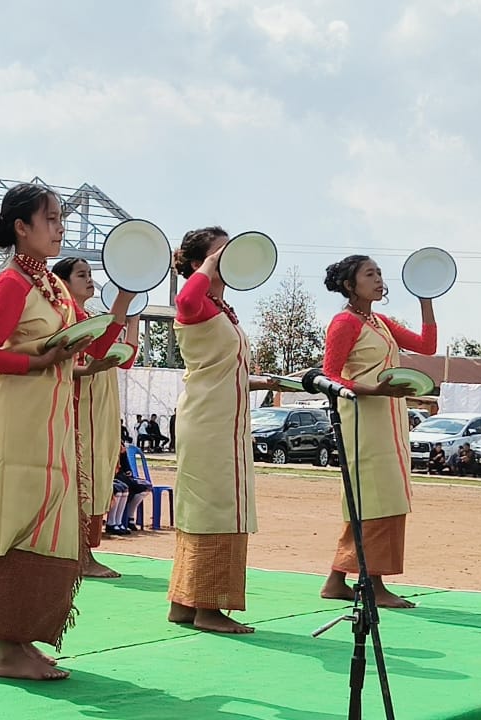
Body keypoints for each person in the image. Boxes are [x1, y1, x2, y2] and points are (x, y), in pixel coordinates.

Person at [0, 183, 131, 681]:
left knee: (47, 523)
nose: (61, 227)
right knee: (17, 524)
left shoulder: (52, 286)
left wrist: (124, 295)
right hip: (17, 426)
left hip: (52, 424)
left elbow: (90, 339)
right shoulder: (12, 283)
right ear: (23, 228)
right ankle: (4, 650)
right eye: (52, 218)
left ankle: (22, 640)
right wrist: (39, 359)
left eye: (61, 218)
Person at [167, 227, 277, 634]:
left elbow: (221, 370)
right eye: (221, 253)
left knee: (207, 504)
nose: (230, 258)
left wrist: (267, 382)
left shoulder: (219, 308)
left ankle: (185, 601)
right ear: (200, 263)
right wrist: (207, 267)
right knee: (217, 505)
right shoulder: (196, 304)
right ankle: (209, 608)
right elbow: (183, 298)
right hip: (209, 421)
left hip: (221, 417)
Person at [319, 254, 436, 609]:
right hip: (362, 418)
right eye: (369, 274)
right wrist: (373, 390)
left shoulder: (380, 321)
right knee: (374, 496)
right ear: (350, 285)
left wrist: (426, 298)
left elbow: (426, 346)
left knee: (385, 494)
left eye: (379, 273)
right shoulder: (344, 323)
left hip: (388, 416)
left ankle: (337, 578)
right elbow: (330, 376)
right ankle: (373, 584)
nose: (378, 278)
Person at [52, 256, 139, 579]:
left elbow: (123, 358)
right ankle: (80, 556)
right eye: (81, 275)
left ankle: (83, 554)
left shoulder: (89, 318)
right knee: (82, 480)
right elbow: (86, 358)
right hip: (79, 411)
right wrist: (124, 301)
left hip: (100, 413)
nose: (89, 280)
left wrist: (133, 315)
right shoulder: (66, 320)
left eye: (90, 274)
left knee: (97, 478)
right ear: (63, 282)